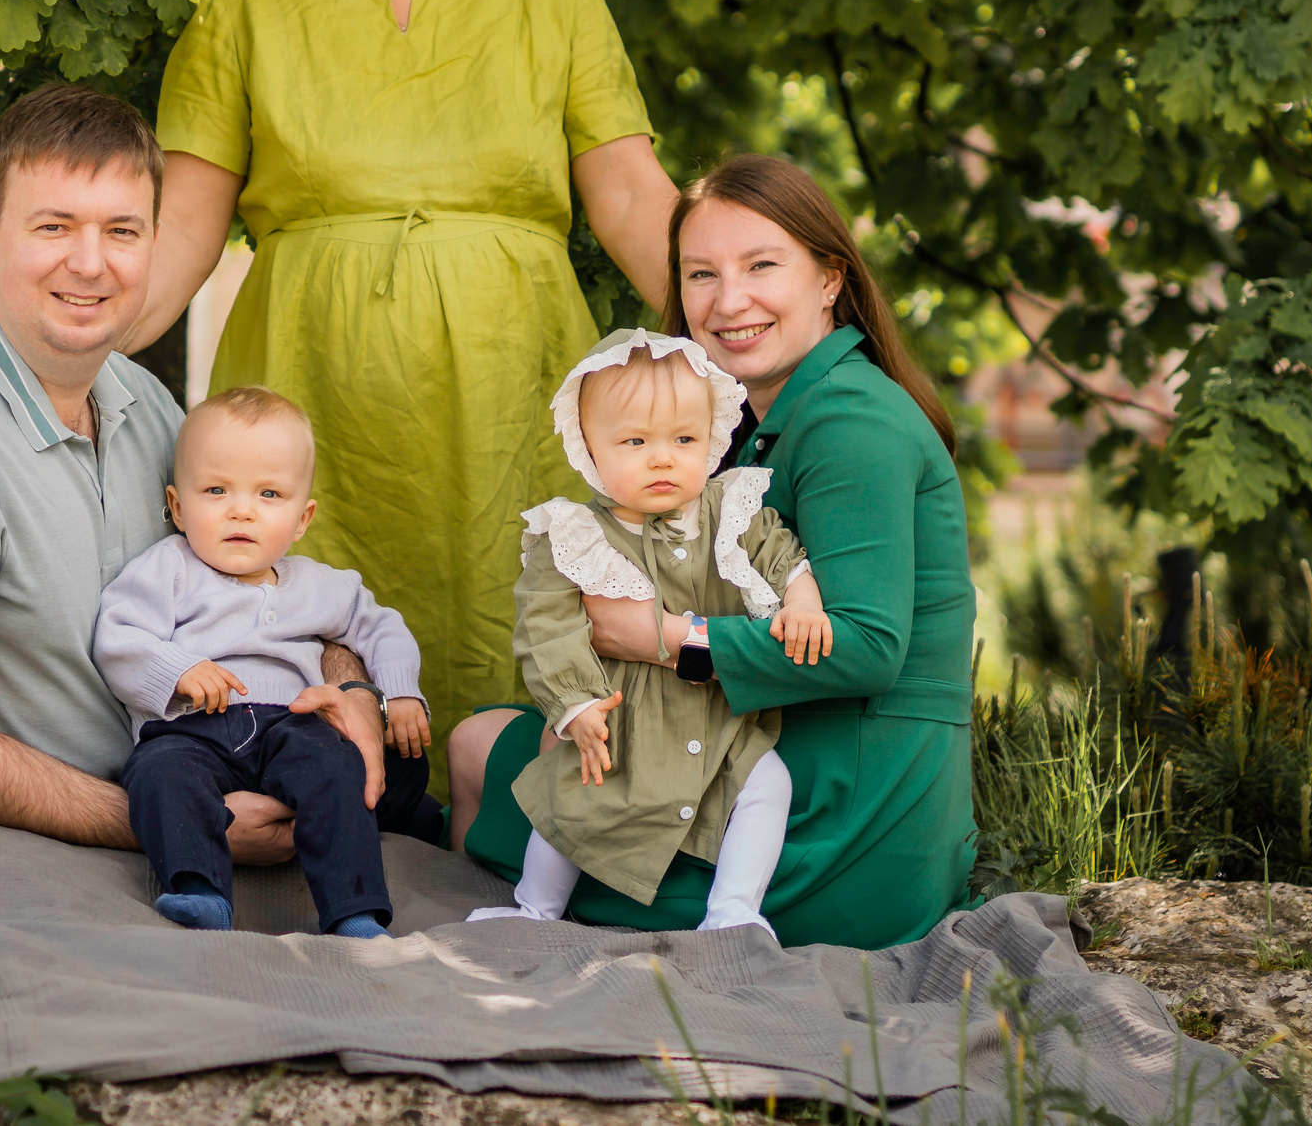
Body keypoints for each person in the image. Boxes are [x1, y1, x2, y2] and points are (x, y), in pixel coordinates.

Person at [123, 0, 680, 760]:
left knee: (519, 661)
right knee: (311, 684)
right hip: (307, 405)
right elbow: (180, 234)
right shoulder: (239, 10)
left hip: (518, 400)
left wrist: (755, 341)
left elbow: (628, 200)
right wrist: (60, 360)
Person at [0, 84, 410, 865]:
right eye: (54, 226)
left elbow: (265, 581)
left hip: (128, 834)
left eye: (121, 230)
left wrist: (351, 686)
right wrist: (188, 819)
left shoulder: (144, 404)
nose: (90, 263)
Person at [451, 156, 979, 951]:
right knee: (536, 737)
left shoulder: (849, 422)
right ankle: (528, 932)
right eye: (701, 274)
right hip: (807, 757)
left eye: (762, 265)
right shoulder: (763, 421)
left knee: (478, 747)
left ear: (830, 278)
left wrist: (660, 640)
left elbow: (868, 649)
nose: (728, 300)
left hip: (850, 817)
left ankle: (516, 952)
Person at [467, 331, 831, 934]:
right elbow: (547, 628)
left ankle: (733, 912)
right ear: (590, 449)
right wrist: (577, 705)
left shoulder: (731, 510)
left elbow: (782, 557)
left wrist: (803, 602)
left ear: (712, 437)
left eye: (684, 439)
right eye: (635, 441)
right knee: (573, 800)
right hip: (622, 716)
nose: (663, 458)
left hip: (720, 719)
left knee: (768, 784)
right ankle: (535, 909)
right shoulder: (576, 535)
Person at [96, 388, 430, 937]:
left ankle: (355, 911)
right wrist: (176, 669)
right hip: (190, 730)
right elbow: (118, 636)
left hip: (292, 723)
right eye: (216, 490)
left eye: (269, 493)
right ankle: (199, 892)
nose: (242, 509)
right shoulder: (170, 569)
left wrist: (399, 692)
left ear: (303, 518)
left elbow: (383, 627)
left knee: (339, 766)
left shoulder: (322, 585)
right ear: (178, 507)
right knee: (158, 774)